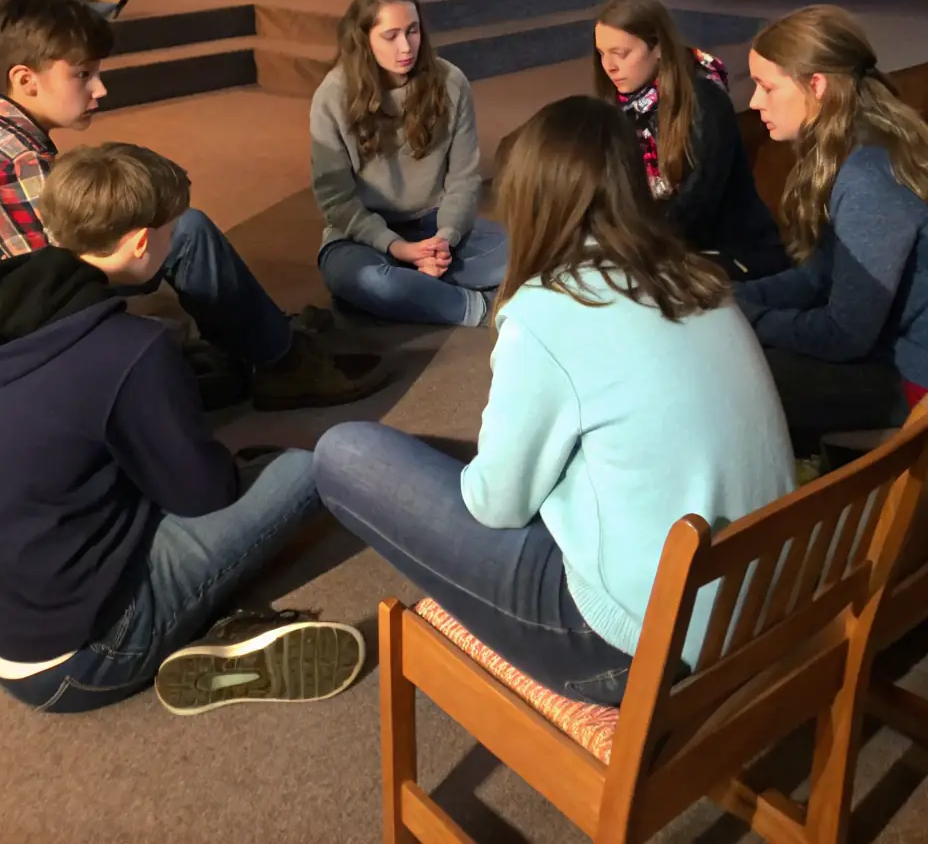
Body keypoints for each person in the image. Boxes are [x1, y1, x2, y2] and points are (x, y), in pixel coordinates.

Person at [313, 96, 794, 704]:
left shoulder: (549, 307)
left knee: (344, 452)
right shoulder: (697, 277)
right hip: (753, 600)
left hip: (629, 645)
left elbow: (496, 504)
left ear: (532, 200)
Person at [0, 142, 364, 714]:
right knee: (304, 470)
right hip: (75, 660)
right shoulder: (135, 352)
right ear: (139, 243)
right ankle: (201, 635)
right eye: (173, 231)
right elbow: (203, 495)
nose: (179, 240)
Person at [0, 0, 381, 463]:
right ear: (25, 79)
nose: (100, 89)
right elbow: (68, 296)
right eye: (83, 75)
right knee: (182, 232)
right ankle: (280, 359)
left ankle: (267, 341)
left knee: (162, 245)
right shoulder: (16, 166)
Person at [737, 5, 928, 454]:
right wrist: (736, 298)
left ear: (816, 85)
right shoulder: (852, 146)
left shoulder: (867, 177)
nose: (753, 102)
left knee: (737, 378)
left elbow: (844, 334)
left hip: (914, 383)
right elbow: (818, 276)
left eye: (766, 86)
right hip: (889, 356)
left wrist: (748, 322)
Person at [310, 0, 507, 326]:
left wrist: (445, 239)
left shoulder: (451, 83)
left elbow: (463, 179)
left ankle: (417, 288)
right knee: (365, 280)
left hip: (437, 226)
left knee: (532, 254)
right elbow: (336, 200)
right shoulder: (333, 95)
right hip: (363, 235)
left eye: (412, 31)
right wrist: (396, 247)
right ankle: (478, 308)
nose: (406, 47)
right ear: (364, 40)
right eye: (391, 36)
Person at [593, 0, 787, 281]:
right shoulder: (625, 104)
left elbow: (694, 207)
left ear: (657, 47)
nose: (609, 66)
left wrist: (629, 254)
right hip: (669, 247)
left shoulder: (703, 102)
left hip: (732, 255)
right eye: (602, 54)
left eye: (621, 54)